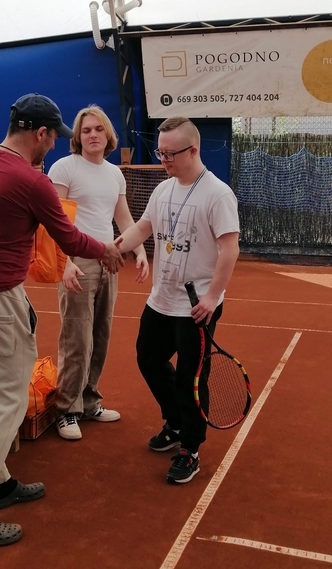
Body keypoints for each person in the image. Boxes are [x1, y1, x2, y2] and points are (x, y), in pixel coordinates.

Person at [0, 93, 124, 546]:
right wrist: (106, 249)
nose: (54, 145)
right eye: (52, 137)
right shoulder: (32, 181)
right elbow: (68, 238)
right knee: (7, 404)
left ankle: (0, 482)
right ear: (39, 133)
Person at [114, 116, 240, 483]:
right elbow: (143, 228)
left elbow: (229, 249)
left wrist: (212, 298)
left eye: (170, 154)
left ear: (193, 150)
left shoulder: (217, 194)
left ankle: (191, 446)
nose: (164, 160)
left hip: (197, 306)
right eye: (160, 153)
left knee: (191, 377)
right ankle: (175, 421)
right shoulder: (162, 190)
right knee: (148, 359)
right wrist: (112, 247)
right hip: (161, 299)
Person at [47, 105, 149, 440]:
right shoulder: (65, 168)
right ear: (78, 137)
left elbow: (123, 218)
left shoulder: (114, 174)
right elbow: (55, 221)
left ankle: (89, 402)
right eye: (86, 130)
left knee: (101, 335)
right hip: (78, 261)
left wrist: (139, 250)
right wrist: (65, 262)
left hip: (110, 260)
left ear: (108, 135)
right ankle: (66, 409)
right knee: (77, 337)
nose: (93, 135)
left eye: (98, 129)